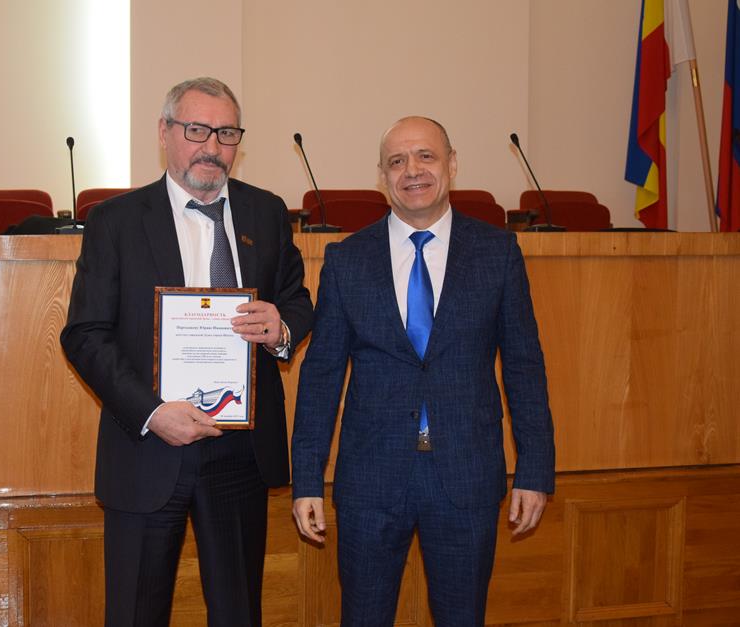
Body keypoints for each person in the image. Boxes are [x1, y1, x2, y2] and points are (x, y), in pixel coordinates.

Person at [61, 77, 313, 627]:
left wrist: (282, 328)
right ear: (164, 132)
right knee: (135, 614)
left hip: (239, 452)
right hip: (147, 448)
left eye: (226, 133)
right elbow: (84, 333)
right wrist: (153, 413)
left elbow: (297, 299)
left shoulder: (266, 212)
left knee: (239, 613)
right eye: (196, 130)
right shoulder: (116, 221)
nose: (212, 147)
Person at [291, 116, 555, 626]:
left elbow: (525, 367)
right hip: (370, 480)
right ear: (382, 177)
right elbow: (321, 377)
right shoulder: (347, 260)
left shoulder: (497, 253)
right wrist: (306, 480)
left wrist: (535, 469)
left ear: (452, 164)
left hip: (466, 476)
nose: (412, 170)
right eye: (397, 161)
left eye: (426, 156)